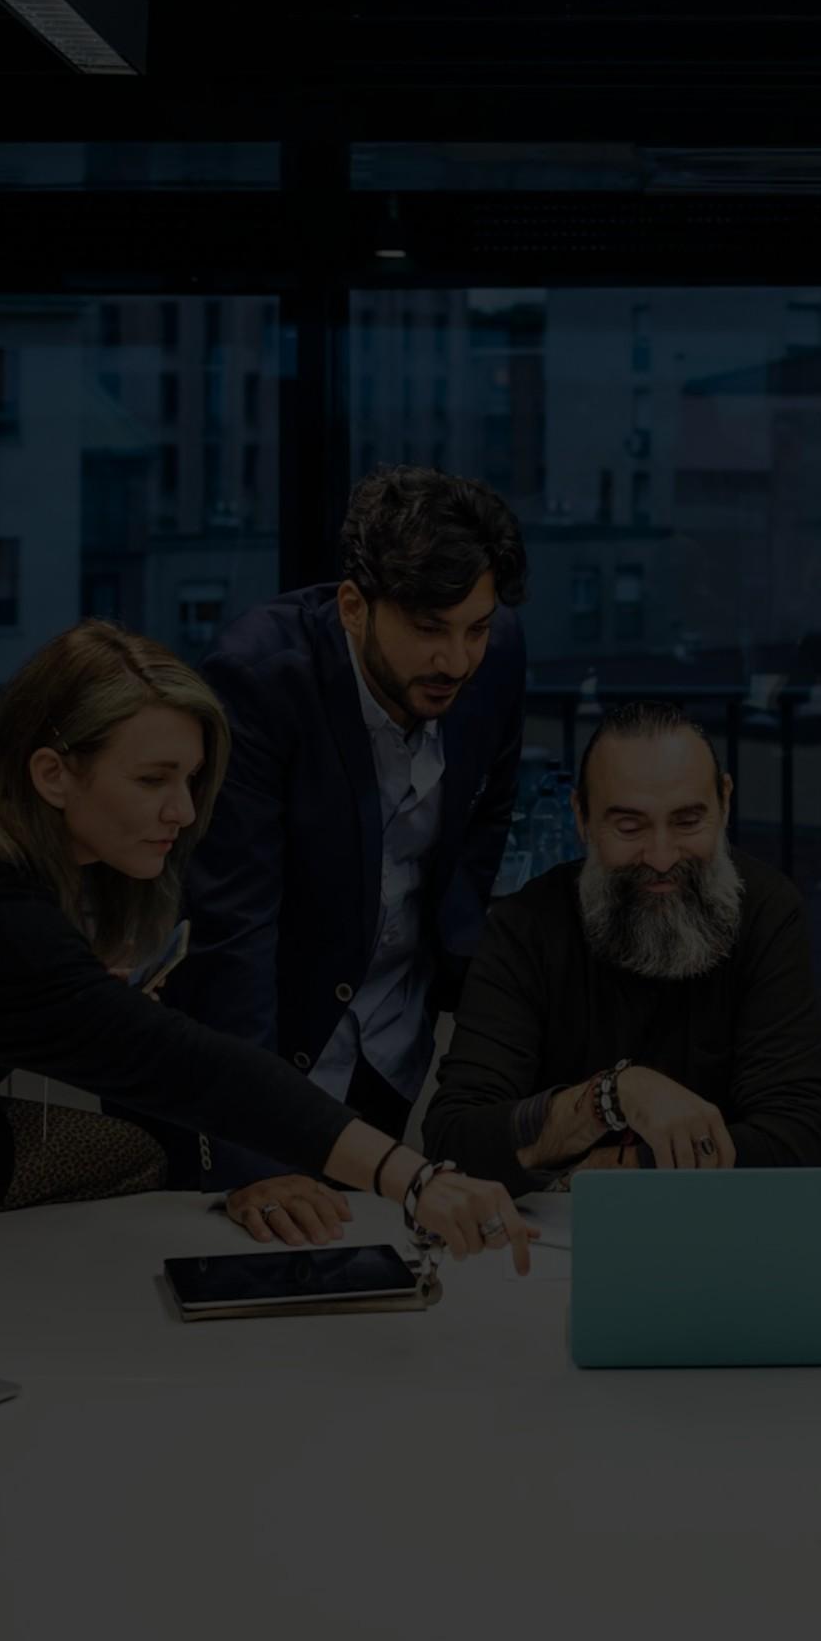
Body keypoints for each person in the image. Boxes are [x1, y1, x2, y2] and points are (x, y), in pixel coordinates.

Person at [0, 619, 532, 1269]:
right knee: (131, 1152)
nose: (184, 811)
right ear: (53, 773)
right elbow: (199, 1070)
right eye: (153, 779)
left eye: (190, 779)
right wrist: (417, 1178)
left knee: (137, 1148)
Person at [156, 466, 531, 1242]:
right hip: (269, 1051)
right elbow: (233, 932)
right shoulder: (258, 679)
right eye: (430, 628)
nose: (457, 660)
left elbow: (487, 810)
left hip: (390, 1048)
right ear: (355, 607)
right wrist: (251, 1157)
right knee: (247, 1269)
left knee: (368, 1268)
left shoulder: (497, 658)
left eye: (476, 628)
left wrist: (458, 963)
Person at [420, 702, 821, 1188]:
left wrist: (619, 1169)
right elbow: (454, 1139)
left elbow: (796, 1141)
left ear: (724, 803)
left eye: (687, 821)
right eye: (630, 827)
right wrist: (610, 1097)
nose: (661, 858)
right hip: (550, 1233)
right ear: (582, 817)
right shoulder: (526, 926)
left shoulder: (767, 912)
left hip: (725, 1228)